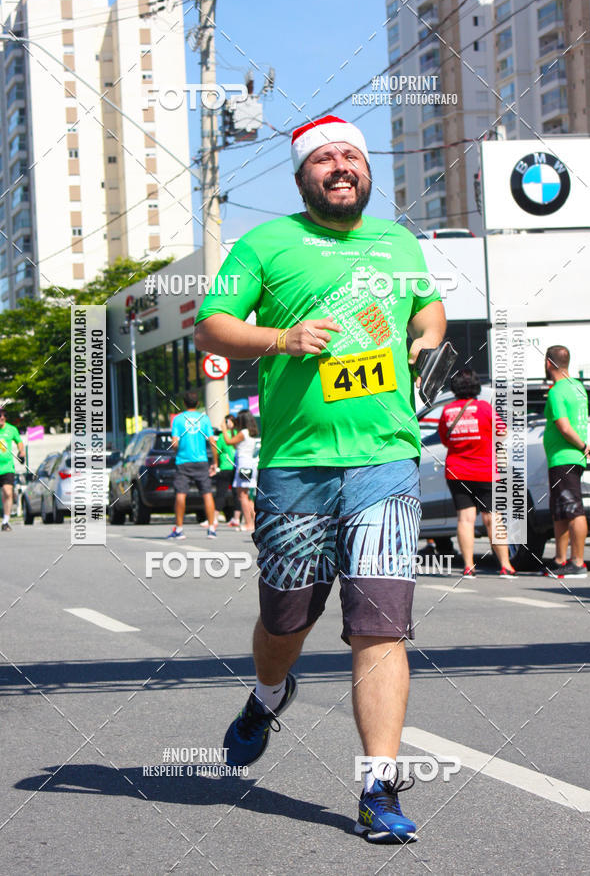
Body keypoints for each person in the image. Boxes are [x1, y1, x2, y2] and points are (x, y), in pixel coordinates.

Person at [194, 115, 447, 843]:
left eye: (351, 157)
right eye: (325, 158)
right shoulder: (265, 243)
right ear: (303, 175)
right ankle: (268, 693)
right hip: (296, 466)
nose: (341, 166)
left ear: (367, 170)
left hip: (385, 460)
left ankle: (378, 788)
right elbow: (212, 326)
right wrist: (283, 338)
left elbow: (427, 309)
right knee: (286, 620)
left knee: (380, 624)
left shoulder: (398, 243)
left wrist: (426, 343)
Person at [438, 369, 515, 578]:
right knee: (493, 518)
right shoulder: (485, 408)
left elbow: (445, 440)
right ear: (476, 386)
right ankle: (506, 565)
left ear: (454, 387)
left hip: (457, 471)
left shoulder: (447, 411)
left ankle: (469, 566)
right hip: (485, 471)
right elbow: (502, 432)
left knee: (465, 519)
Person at [543, 345, 590, 578]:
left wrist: (583, 446)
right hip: (567, 458)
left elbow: (564, 426)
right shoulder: (578, 387)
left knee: (573, 509)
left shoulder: (557, 391)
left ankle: (578, 562)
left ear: (548, 363)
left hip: (565, 457)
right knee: (561, 511)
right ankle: (560, 559)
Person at [168, 390, 218, 540]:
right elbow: (212, 441)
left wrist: (178, 449)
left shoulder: (178, 419)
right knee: (207, 493)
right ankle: (211, 529)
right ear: (198, 403)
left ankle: (179, 529)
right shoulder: (204, 419)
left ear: (184, 403)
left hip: (183, 461)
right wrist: (215, 462)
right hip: (201, 460)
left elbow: (174, 443)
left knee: (180, 493)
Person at [220, 409, 260, 531]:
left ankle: (249, 523)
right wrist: (232, 430)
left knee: (242, 496)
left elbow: (228, 442)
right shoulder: (250, 433)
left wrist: (224, 429)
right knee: (247, 496)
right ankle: (254, 522)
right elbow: (235, 444)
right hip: (250, 464)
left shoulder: (243, 432)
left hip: (243, 464)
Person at [214, 414, 242, 529]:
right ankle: (236, 518)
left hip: (226, 467)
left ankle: (214, 519)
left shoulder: (222, 436)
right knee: (237, 494)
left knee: (221, 493)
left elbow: (217, 451)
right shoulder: (239, 434)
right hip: (236, 467)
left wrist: (215, 464)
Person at [0, 408, 25, 532]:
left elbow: (19, 442)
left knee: (8, 492)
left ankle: (5, 521)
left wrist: (22, 452)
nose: (1, 418)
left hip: (7, 467)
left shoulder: (11, 429)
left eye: (3, 416)